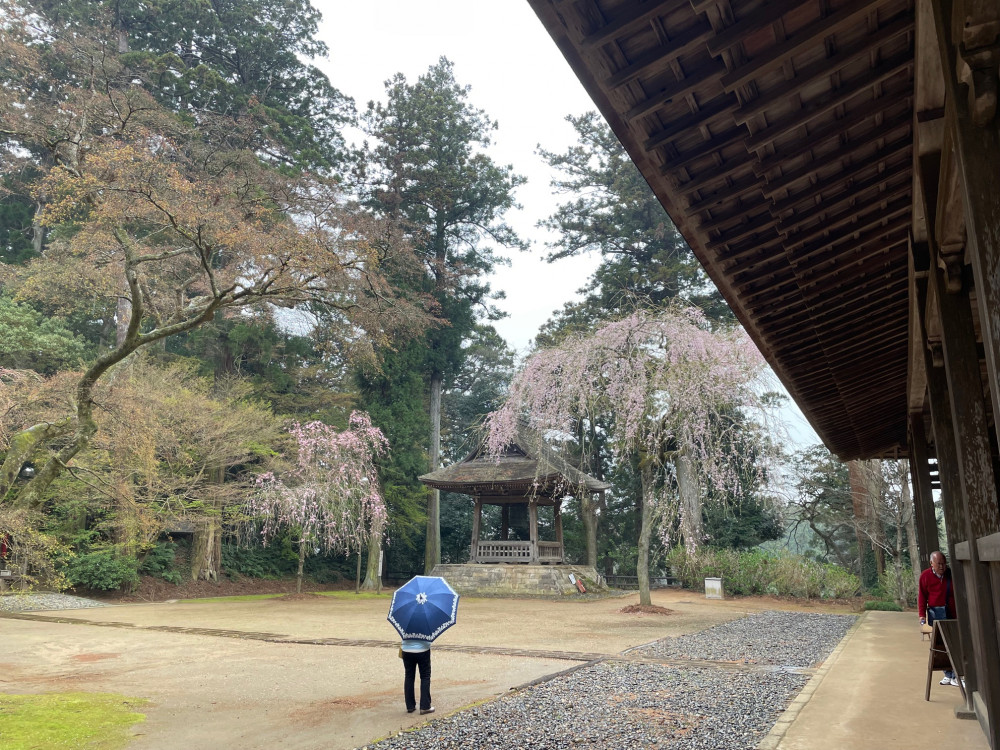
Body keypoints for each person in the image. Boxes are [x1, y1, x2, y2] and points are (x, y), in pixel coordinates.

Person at [918, 550, 958, 686]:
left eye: (944, 563)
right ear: (931, 563)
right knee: (940, 646)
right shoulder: (925, 576)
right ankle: (948, 674)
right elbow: (922, 596)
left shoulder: (951, 574)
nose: (942, 567)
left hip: (953, 614)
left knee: (954, 644)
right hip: (936, 614)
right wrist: (922, 615)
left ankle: (956, 675)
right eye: (939, 564)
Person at [401, 638, 434, 715]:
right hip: (423, 649)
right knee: (425, 676)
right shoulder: (425, 625)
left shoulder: (406, 625)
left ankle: (410, 706)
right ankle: (425, 706)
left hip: (406, 649)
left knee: (409, 676)